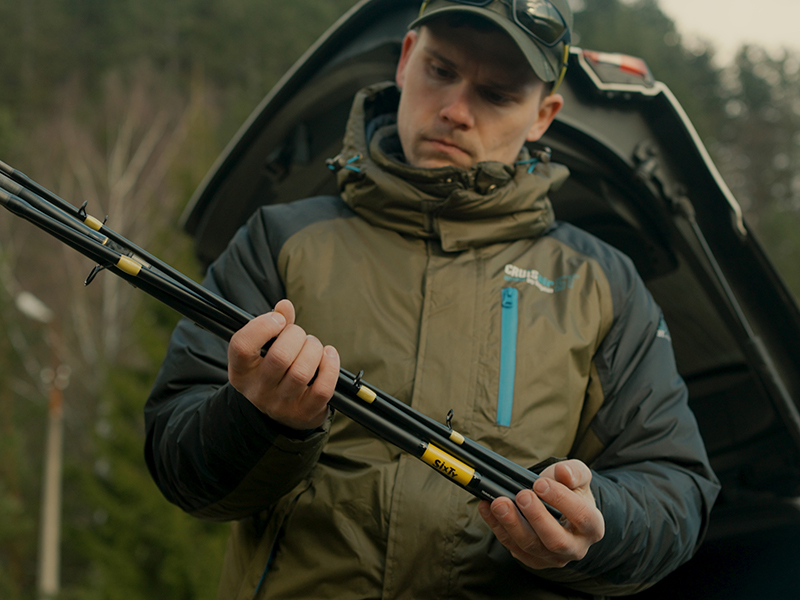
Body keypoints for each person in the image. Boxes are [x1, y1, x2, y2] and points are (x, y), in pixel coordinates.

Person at [145, 1, 720, 598]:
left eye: (497, 95)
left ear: (543, 115)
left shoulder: (603, 285)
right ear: (405, 60)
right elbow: (179, 467)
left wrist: (598, 520)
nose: (455, 111)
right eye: (441, 71)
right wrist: (258, 421)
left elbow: (675, 491)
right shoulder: (279, 241)